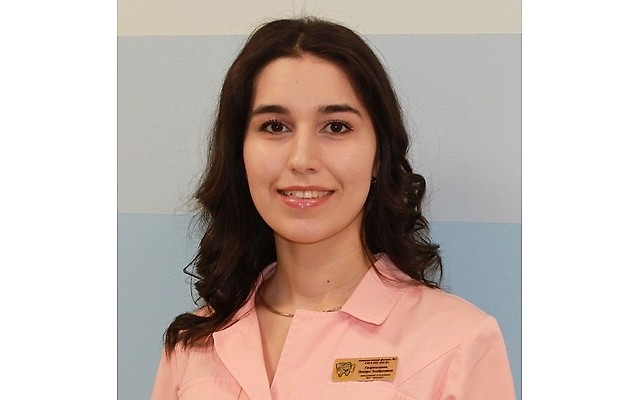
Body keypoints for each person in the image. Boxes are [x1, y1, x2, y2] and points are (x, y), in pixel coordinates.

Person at [151, 17, 515, 400]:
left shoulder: (457, 341)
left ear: (379, 156)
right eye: (275, 126)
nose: (302, 159)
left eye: (336, 127)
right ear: (239, 153)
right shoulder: (193, 344)